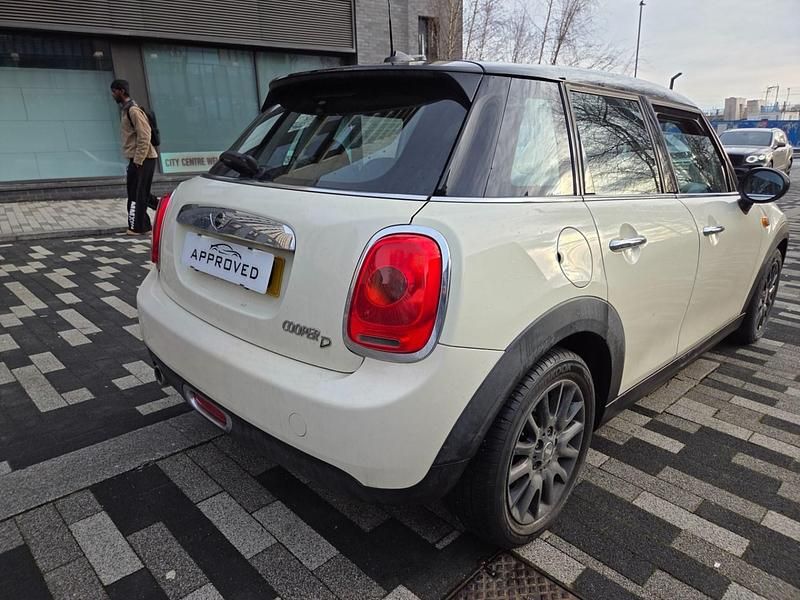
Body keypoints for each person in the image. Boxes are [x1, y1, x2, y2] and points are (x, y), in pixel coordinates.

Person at [110, 79, 158, 235]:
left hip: (143, 159)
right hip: (140, 158)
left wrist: (138, 160)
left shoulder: (133, 110)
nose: (112, 94)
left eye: (114, 91)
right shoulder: (126, 110)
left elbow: (145, 135)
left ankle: (137, 227)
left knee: (136, 194)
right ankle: (153, 215)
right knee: (139, 192)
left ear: (121, 91)